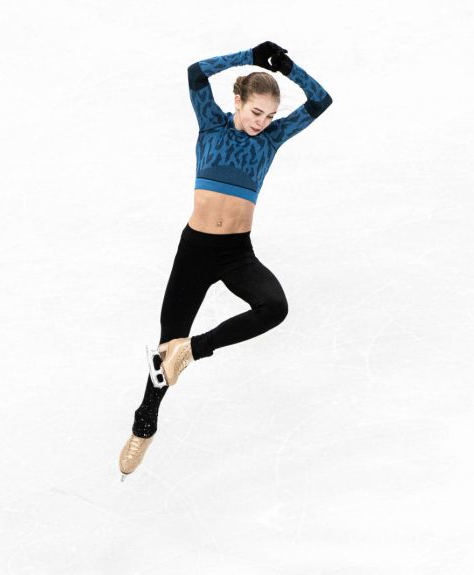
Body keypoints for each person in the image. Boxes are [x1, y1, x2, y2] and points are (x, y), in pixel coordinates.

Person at [119, 41, 333, 480]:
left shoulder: (272, 139)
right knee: (166, 342)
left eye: (269, 115)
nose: (262, 122)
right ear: (237, 100)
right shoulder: (211, 125)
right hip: (195, 251)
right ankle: (144, 423)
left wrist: (288, 67)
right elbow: (196, 73)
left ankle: (193, 351)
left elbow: (320, 101)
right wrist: (249, 56)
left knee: (274, 307)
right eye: (256, 112)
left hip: (237, 253)